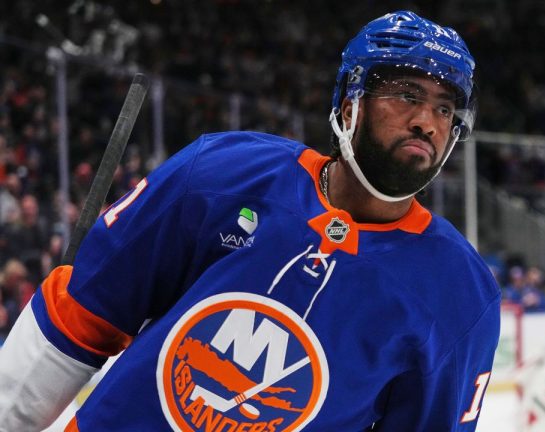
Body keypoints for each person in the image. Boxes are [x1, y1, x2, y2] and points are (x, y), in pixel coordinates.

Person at [0, 11, 500, 431]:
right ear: (350, 102)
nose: (427, 122)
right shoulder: (224, 172)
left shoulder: (459, 293)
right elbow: (78, 316)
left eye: (444, 107)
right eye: (408, 95)